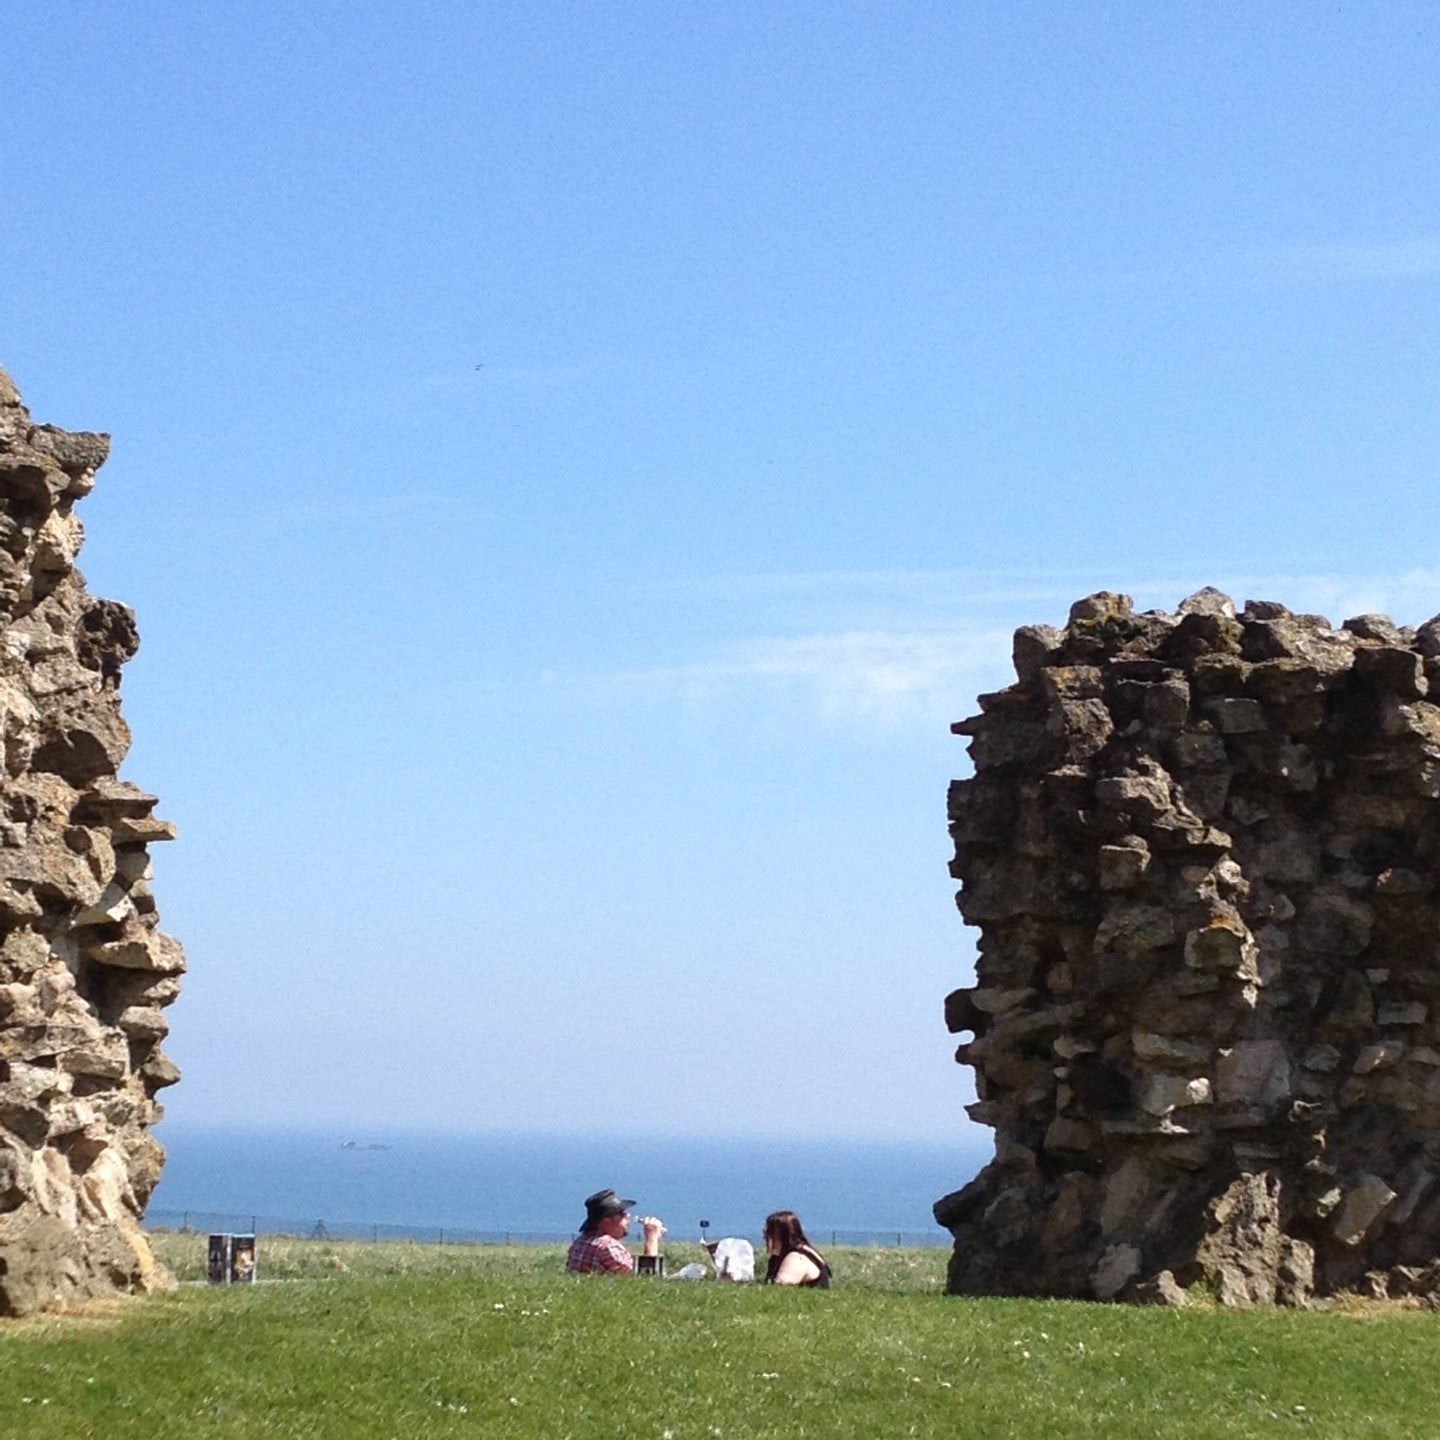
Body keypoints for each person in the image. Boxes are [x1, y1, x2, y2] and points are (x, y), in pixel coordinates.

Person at [566, 1188, 665, 1274]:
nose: (628, 1216)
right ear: (606, 1222)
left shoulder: (579, 1242)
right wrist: (651, 1239)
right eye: (622, 1214)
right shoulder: (608, 1247)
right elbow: (645, 1280)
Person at [761, 1209, 830, 1288]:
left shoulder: (796, 1259)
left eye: (767, 1234)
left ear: (780, 1235)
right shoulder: (804, 1251)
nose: (764, 1238)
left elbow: (778, 1290)